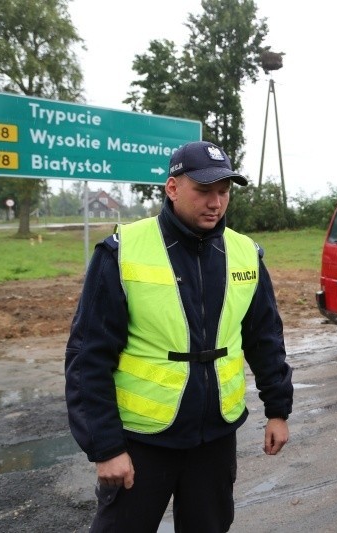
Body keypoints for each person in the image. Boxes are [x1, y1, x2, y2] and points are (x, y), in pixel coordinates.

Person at [65, 140, 294, 532]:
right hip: (141, 443)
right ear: (173, 188)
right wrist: (106, 448)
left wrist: (278, 410)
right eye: (204, 191)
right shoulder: (122, 251)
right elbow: (88, 357)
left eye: (223, 192)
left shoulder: (244, 254)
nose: (216, 203)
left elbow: (265, 339)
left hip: (214, 440)